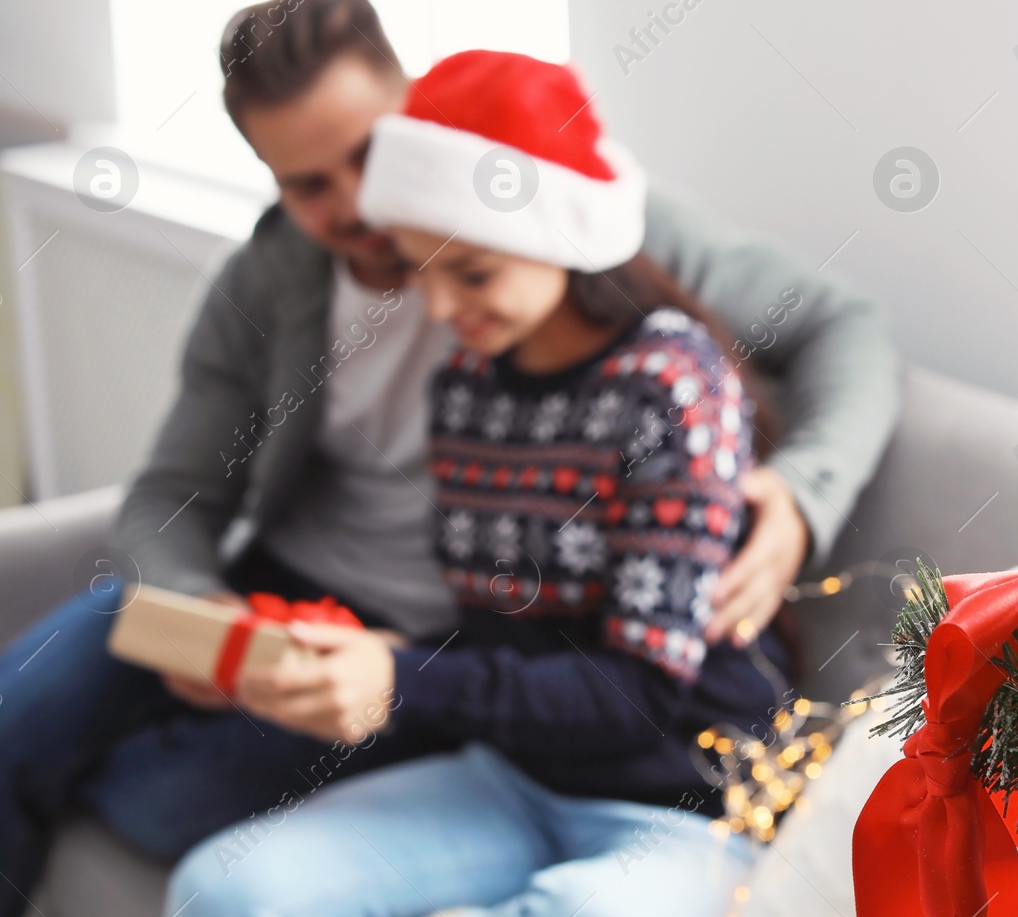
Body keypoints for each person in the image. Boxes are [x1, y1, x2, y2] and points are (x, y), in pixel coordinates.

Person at [0, 0, 899, 916]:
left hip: (446, 653)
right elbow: (174, 487)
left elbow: (838, 326)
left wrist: (800, 493)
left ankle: (15, 708)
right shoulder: (295, 291)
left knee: (159, 798)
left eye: (366, 154)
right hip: (294, 589)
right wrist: (200, 607)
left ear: (412, 110)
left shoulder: (556, 218)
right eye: (307, 182)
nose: (354, 204)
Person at [169, 49, 791, 917]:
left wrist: (401, 678)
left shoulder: (671, 383)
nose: (438, 310)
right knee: (223, 886)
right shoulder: (466, 387)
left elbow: (642, 691)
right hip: (507, 778)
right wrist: (346, 661)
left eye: (472, 274)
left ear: (557, 237)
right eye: (425, 271)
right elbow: (496, 632)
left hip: (690, 805)